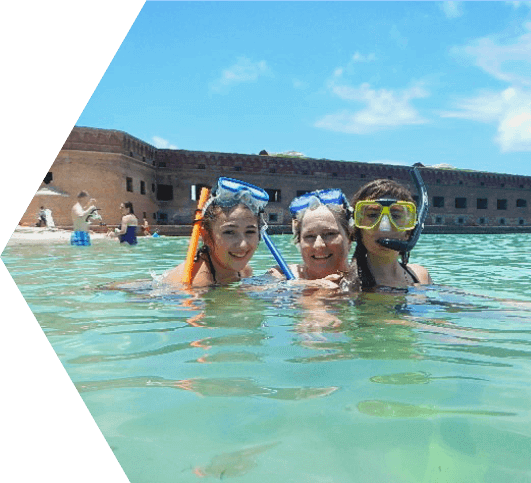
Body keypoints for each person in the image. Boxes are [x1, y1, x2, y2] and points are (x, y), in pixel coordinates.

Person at [162, 178, 268, 287]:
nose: (243, 244)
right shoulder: (195, 282)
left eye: (250, 231)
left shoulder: (244, 271)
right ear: (207, 236)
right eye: (229, 232)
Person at [350, 178, 432, 289]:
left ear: (409, 231)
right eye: (373, 215)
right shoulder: (343, 284)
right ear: (357, 227)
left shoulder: (421, 276)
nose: (385, 228)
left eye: (396, 216)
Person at [268, 189, 354, 281]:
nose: (319, 245)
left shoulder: (364, 279)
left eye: (330, 234)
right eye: (309, 236)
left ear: (349, 238)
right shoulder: (281, 275)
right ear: (299, 242)